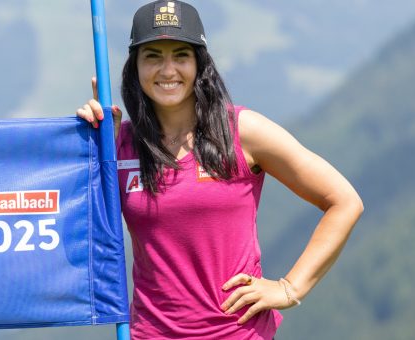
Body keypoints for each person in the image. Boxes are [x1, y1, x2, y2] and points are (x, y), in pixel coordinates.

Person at [77, 1, 363, 339]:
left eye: (181, 55)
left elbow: (344, 201)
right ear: (135, 67)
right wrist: (97, 154)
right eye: (153, 55)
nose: (168, 70)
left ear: (200, 64)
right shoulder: (117, 144)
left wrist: (289, 288)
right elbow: (85, 236)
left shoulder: (242, 132)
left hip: (238, 333)